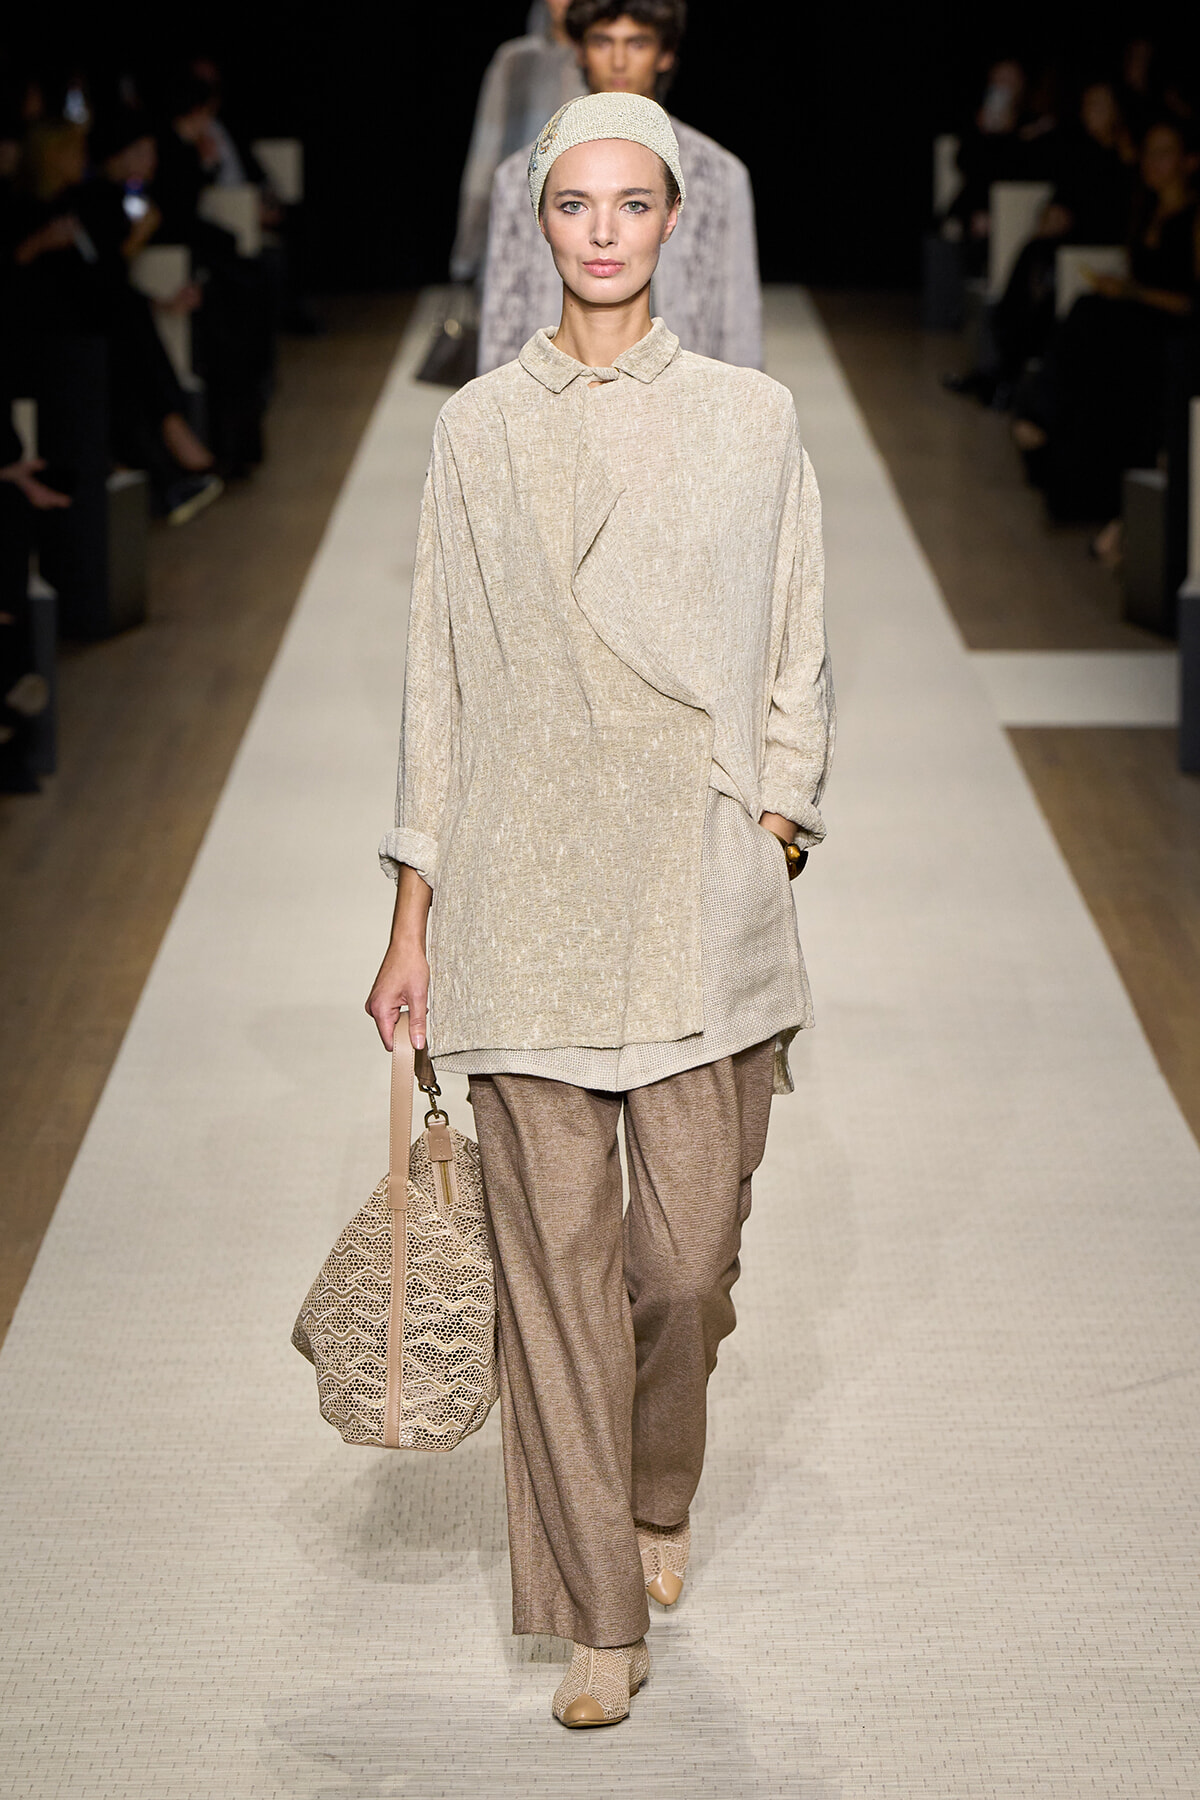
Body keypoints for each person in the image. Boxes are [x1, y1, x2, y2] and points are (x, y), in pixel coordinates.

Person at [367, 92, 832, 1727]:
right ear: (540, 225)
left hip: (696, 890)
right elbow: (438, 673)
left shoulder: (751, 420)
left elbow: (795, 634)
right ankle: (597, 1616)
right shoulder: (475, 430)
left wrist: (777, 818)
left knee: (683, 1267)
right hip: (525, 880)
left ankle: (657, 1481)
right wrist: (414, 910)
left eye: (638, 203)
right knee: (553, 1271)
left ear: (675, 222)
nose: (609, 230)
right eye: (578, 204)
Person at [478, 0, 763, 373]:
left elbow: (738, 313)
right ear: (580, 51)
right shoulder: (520, 176)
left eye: (637, 43)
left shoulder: (719, 174)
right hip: (555, 394)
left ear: (665, 54)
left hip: (687, 403)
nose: (618, 62)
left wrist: (739, 410)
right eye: (602, 42)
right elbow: (504, 309)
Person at [1013, 116, 1199, 526]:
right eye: (1149, 152)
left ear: (1190, 160)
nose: (1153, 162)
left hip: (1171, 331)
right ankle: (1048, 428)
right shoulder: (1146, 211)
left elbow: (1191, 302)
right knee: (1089, 315)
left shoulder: (1192, 221)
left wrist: (1132, 293)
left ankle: (1040, 417)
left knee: (1093, 319)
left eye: (1164, 153)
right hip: (1138, 322)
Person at [450, 0, 585, 283]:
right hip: (521, 235)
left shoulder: (613, 59)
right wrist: (468, 254)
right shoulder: (516, 60)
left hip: (594, 238)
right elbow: (486, 154)